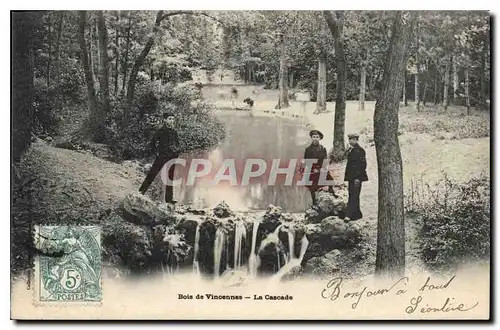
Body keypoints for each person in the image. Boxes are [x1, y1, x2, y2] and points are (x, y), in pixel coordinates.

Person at [139, 113, 181, 204]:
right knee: (152, 173)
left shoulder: (174, 132)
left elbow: (178, 144)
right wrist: (156, 153)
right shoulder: (160, 131)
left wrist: (177, 152)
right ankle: (141, 191)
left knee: (170, 177)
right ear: (165, 120)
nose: (171, 121)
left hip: (172, 157)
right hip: (162, 156)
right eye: (169, 119)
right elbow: (152, 143)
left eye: (173, 119)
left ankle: (169, 199)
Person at [302, 129, 338, 206]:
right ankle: (314, 201)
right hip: (312, 168)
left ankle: (331, 190)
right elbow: (307, 160)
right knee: (312, 185)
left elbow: (324, 159)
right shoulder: (308, 149)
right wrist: (313, 168)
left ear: (319, 138)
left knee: (329, 178)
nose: (315, 138)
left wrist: (322, 167)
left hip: (321, 167)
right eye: (314, 137)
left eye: (317, 137)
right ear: (311, 138)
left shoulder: (323, 149)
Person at [344, 133, 368, 221]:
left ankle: (349, 215)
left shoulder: (360, 150)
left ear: (357, 140)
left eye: (353, 139)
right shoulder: (350, 150)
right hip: (351, 176)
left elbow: (363, 165)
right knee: (352, 194)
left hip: (357, 177)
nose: (351, 141)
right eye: (350, 139)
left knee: (354, 195)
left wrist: (358, 178)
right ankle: (357, 214)